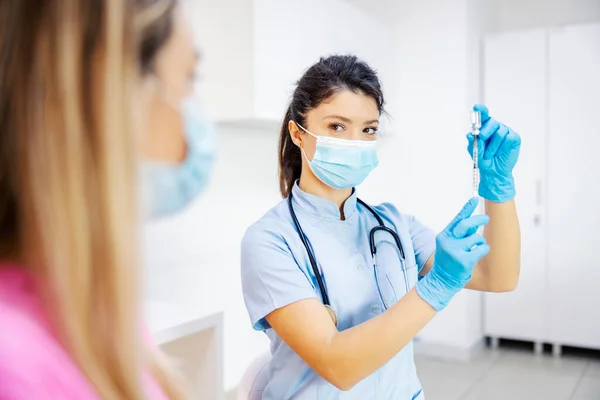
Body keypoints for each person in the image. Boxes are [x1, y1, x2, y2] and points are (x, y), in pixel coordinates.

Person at [241, 55, 521, 399]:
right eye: (337, 126)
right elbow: (337, 365)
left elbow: (498, 277)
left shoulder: (393, 224)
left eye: (368, 129)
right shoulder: (270, 240)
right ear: (298, 134)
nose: (356, 142)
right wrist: (436, 286)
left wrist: (499, 190)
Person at [0, 0, 214, 398]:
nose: (194, 113)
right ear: (112, 94)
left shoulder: (90, 311)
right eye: (189, 77)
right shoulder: (13, 367)